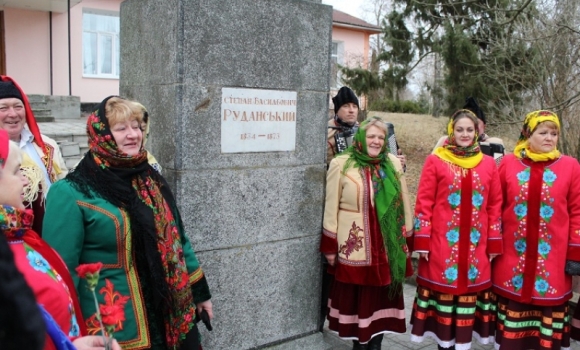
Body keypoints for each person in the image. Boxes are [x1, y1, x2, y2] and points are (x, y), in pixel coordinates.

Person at [43, 96, 213, 350]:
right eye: (121, 129)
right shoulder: (70, 192)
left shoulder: (150, 180)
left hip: (171, 315)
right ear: (102, 135)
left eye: (137, 127)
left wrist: (200, 294)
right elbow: (59, 273)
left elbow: (179, 240)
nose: (133, 134)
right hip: (115, 324)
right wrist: (69, 335)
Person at [0, 128, 120, 350]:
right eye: (17, 172)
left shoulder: (17, 236)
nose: (25, 182)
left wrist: (72, 345)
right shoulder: (69, 192)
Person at [410, 109, 502, 350]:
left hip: (476, 249)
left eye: (469, 130)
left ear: (477, 132)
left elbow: (494, 206)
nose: (464, 134)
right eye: (459, 129)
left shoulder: (489, 165)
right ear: (452, 131)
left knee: (466, 311)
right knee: (445, 311)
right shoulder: (436, 160)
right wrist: (422, 241)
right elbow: (424, 204)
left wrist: (494, 242)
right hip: (442, 247)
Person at [320, 116, 413, 350]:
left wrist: (409, 239)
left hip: (387, 249)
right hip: (357, 250)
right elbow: (331, 207)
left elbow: (404, 201)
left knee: (381, 314)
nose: (376, 141)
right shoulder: (342, 164)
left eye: (380, 137)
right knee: (358, 313)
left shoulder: (392, 162)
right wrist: (329, 245)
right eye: (371, 136)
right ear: (361, 137)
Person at [491, 110, 580, 350]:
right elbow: (494, 205)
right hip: (512, 258)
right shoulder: (508, 163)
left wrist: (575, 255)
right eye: (543, 132)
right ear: (528, 134)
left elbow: (577, 213)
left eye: (554, 133)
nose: (549, 138)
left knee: (544, 334)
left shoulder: (571, 167)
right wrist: (492, 243)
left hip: (552, 262)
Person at [0, 75, 68, 235]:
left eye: (18, 106)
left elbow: (64, 183)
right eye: (3, 108)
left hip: (55, 228)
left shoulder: (47, 145)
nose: (13, 114)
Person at [433, 97, 504, 164]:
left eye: (476, 124)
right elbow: (432, 164)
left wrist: (498, 148)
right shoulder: (446, 141)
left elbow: (499, 170)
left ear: (484, 126)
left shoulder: (494, 145)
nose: (465, 134)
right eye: (460, 129)